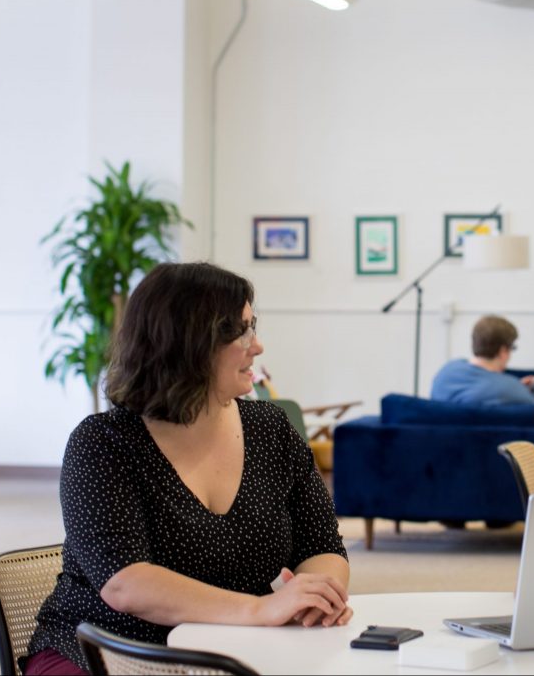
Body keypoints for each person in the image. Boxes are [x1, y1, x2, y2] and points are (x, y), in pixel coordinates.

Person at [25, 262, 352, 675]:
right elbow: (126, 583)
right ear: (190, 344)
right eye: (242, 331)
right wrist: (262, 609)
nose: (258, 346)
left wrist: (316, 595)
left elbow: (323, 545)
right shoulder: (103, 442)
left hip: (239, 649)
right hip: (108, 652)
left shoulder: (271, 429)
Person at [430, 315, 534, 405]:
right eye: (512, 348)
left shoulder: (447, 370)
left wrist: (519, 387)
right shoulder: (509, 388)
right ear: (503, 351)